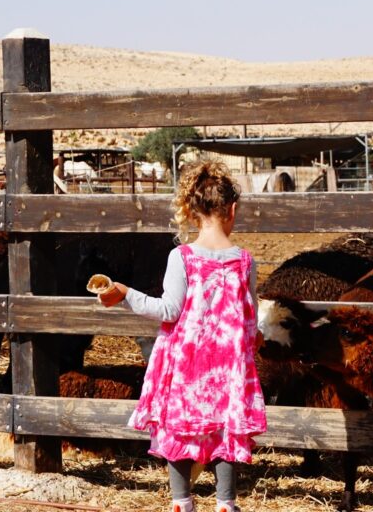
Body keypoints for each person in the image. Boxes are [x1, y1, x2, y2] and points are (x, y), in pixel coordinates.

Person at [99, 159, 266, 512]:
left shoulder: (182, 257)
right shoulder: (246, 262)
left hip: (187, 365)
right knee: (225, 431)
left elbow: (168, 310)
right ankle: (225, 503)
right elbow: (250, 321)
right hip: (228, 370)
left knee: (179, 430)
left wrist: (125, 293)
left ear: (192, 211)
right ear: (233, 209)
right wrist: (255, 342)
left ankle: (181, 502)